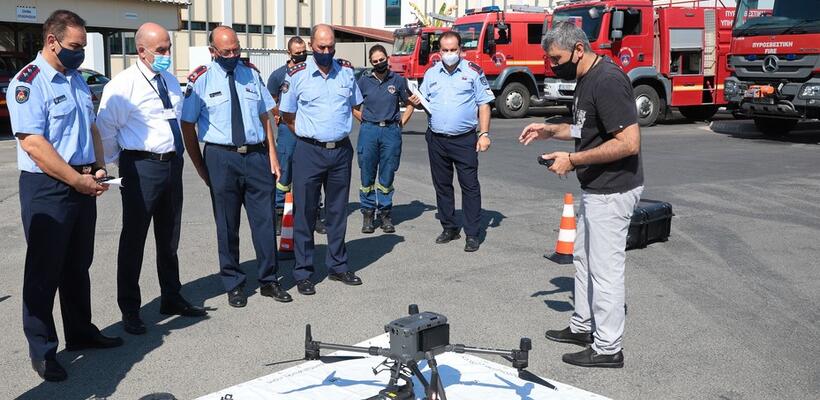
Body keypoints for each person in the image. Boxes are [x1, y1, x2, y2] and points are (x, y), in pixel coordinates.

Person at [6, 9, 123, 381]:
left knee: (77, 265)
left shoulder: (75, 79)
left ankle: (80, 331)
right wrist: (75, 179)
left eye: (83, 46)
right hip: (48, 188)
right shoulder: (29, 83)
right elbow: (34, 144)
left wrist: (99, 166)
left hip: (82, 181)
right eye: (75, 46)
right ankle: (42, 350)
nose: (80, 53)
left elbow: (89, 126)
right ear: (52, 41)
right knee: (44, 271)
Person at [520, 22, 644, 368]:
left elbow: (629, 142)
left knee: (605, 270)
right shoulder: (586, 79)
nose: (552, 65)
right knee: (584, 260)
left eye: (556, 58)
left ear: (578, 49)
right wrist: (551, 131)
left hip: (613, 190)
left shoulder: (607, 81)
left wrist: (572, 160)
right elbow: (587, 128)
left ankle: (607, 348)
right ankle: (584, 326)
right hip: (596, 189)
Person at [96, 22, 207, 336]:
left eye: (169, 48)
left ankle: (171, 296)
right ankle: (130, 310)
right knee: (134, 240)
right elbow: (106, 132)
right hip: (141, 166)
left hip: (171, 165)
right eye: (160, 50)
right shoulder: (122, 86)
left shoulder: (170, 81)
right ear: (140, 51)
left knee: (169, 237)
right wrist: (127, 164)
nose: (167, 54)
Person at [181, 26, 292, 307]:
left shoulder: (251, 74)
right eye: (226, 52)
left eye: (236, 50)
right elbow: (187, 124)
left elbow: (265, 116)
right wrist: (200, 166)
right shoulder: (201, 80)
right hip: (221, 157)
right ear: (213, 52)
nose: (232, 55)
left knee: (265, 222)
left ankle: (269, 280)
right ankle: (234, 283)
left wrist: (273, 155)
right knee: (227, 225)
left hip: (256, 157)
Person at [279, 24, 364, 295]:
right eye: (320, 47)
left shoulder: (347, 73)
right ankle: (303, 272)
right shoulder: (297, 76)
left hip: (340, 151)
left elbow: (355, 105)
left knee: (337, 212)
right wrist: (311, 136)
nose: (326, 52)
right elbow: (288, 116)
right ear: (311, 45)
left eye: (330, 47)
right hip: (309, 151)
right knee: (304, 213)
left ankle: (338, 265)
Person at [410, 31, 493, 252]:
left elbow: (484, 104)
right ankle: (449, 227)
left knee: (470, 186)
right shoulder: (431, 73)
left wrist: (483, 134)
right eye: (445, 50)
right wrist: (415, 102)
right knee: (442, 185)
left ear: (461, 50)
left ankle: (472, 234)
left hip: (464, 139)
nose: (449, 54)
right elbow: (423, 102)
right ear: (439, 52)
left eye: (453, 50)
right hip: (437, 139)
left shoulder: (473, 72)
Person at [266, 36, 326, 237]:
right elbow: (271, 100)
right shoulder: (278, 75)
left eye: (303, 52)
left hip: (310, 130)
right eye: (297, 53)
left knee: (313, 172)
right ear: (289, 53)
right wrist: (277, 114)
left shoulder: (312, 70)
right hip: (287, 130)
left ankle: (315, 214)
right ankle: (278, 214)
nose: (301, 55)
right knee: (284, 174)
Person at [352, 45, 415, 234]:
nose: (379, 63)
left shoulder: (398, 80)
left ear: (387, 58)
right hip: (369, 131)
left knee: (387, 174)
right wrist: (365, 120)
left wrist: (401, 123)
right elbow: (353, 106)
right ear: (371, 63)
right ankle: (368, 214)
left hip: (390, 132)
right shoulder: (363, 82)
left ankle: (386, 213)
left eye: (381, 59)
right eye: (375, 61)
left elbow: (410, 103)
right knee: (367, 174)